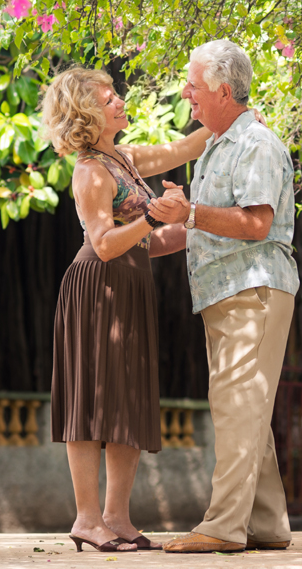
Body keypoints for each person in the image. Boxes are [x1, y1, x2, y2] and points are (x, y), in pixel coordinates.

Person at [43, 67, 201, 553]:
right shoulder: (91, 170)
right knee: (92, 402)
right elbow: (107, 244)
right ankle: (87, 520)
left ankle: (117, 517)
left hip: (131, 286)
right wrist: (154, 215)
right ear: (86, 113)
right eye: (107, 98)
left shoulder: (125, 158)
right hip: (97, 288)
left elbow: (180, 151)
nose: (119, 102)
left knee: (129, 400)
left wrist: (230, 120)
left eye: (115, 95)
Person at [151, 40, 299, 554]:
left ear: (220, 88)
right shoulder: (216, 146)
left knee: (238, 406)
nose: (187, 93)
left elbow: (256, 224)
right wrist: (132, 247)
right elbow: (200, 229)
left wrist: (188, 213)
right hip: (226, 292)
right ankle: (266, 523)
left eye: (193, 84)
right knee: (243, 407)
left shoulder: (255, 144)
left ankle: (222, 527)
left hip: (251, 287)